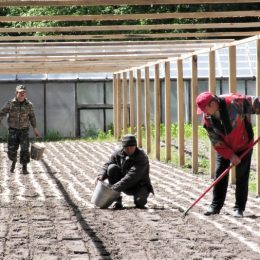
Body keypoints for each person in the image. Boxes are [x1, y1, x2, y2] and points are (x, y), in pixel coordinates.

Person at [196, 91, 260, 218]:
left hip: (244, 143)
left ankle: (239, 208)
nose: (204, 112)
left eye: (205, 109)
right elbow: (215, 140)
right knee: (220, 172)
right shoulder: (207, 118)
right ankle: (215, 206)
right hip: (225, 147)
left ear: (213, 103)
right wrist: (230, 155)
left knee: (242, 175)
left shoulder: (234, 102)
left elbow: (256, 103)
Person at [96, 134, 154, 209]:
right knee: (111, 168)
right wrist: (102, 174)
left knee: (140, 202)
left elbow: (131, 176)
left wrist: (114, 188)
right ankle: (117, 200)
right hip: (123, 184)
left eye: (131, 147)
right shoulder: (117, 154)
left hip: (139, 185)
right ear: (123, 147)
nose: (129, 149)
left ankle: (139, 197)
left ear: (135, 146)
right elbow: (108, 164)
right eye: (127, 147)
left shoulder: (142, 157)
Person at [0, 84, 41, 174]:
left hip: (24, 130)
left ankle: (24, 168)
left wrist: (35, 128)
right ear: (16, 93)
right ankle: (14, 161)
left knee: (25, 149)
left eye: (24, 92)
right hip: (13, 130)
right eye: (20, 92)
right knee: (11, 150)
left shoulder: (29, 105)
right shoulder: (10, 103)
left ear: (25, 93)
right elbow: (2, 112)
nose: (22, 94)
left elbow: (32, 117)